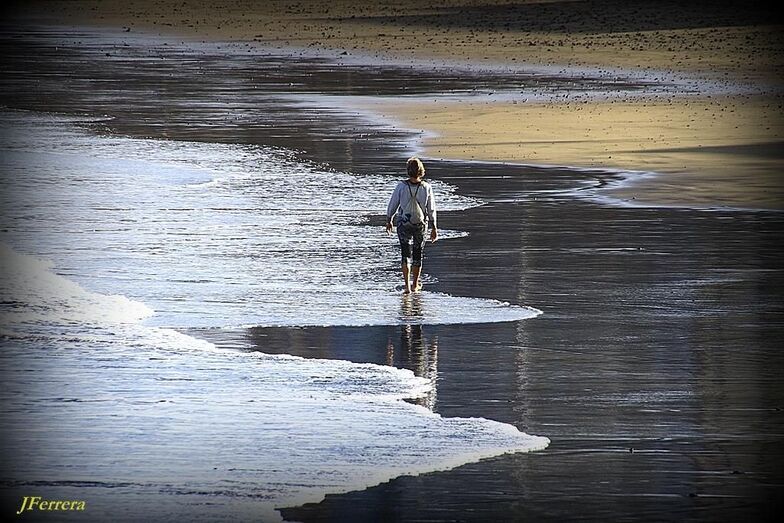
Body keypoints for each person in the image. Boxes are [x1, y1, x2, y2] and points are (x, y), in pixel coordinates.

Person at [386, 157, 438, 293]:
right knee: (417, 254)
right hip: (420, 224)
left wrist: (389, 219)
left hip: (404, 223)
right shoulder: (426, 187)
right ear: (421, 171)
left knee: (405, 254)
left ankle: (407, 286)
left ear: (408, 171)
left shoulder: (401, 186)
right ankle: (415, 284)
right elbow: (431, 208)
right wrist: (434, 227)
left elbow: (393, 204)